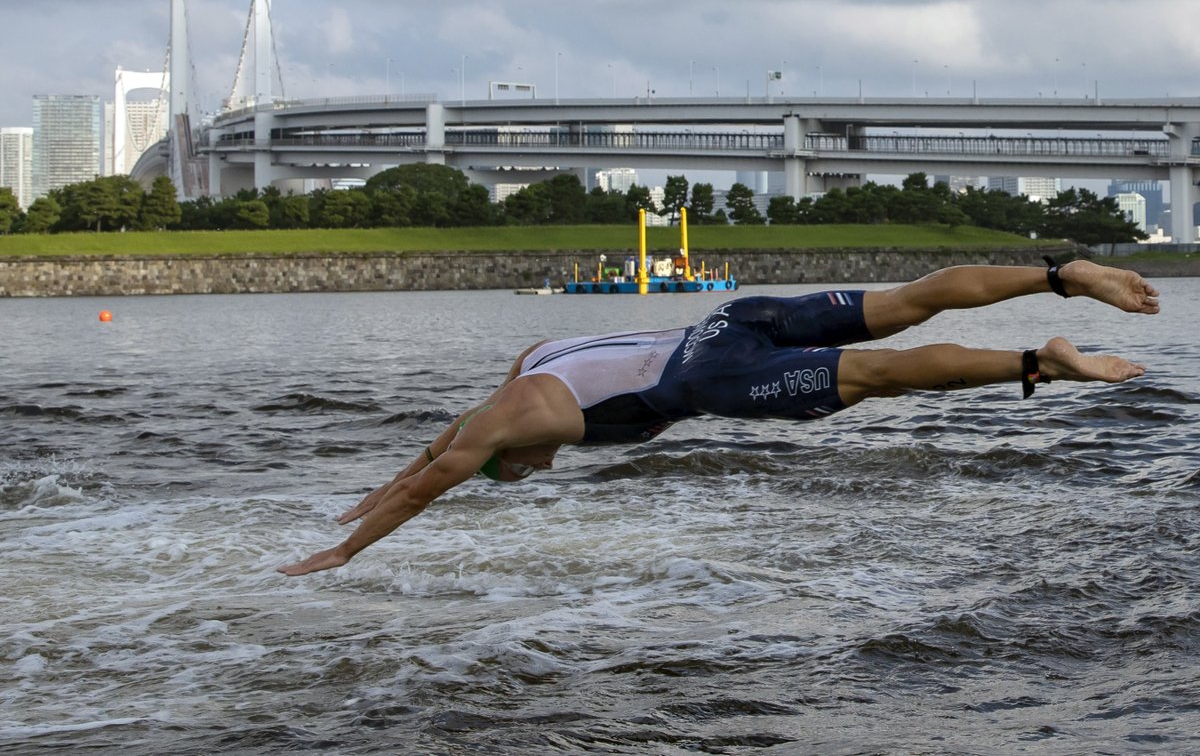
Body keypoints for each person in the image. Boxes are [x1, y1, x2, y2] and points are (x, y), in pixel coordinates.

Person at [278, 259, 1159, 577]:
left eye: (515, 469)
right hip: (732, 319)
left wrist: (347, 549)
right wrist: (375, 491)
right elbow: (436, 451)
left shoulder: (517, 420)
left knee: (883, 375)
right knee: (904, 301)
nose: (534, 471)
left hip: (715, 376)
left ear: (508, 452)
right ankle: (1059, 274)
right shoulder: (530, 363)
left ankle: (1040, 361)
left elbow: (440, 473)